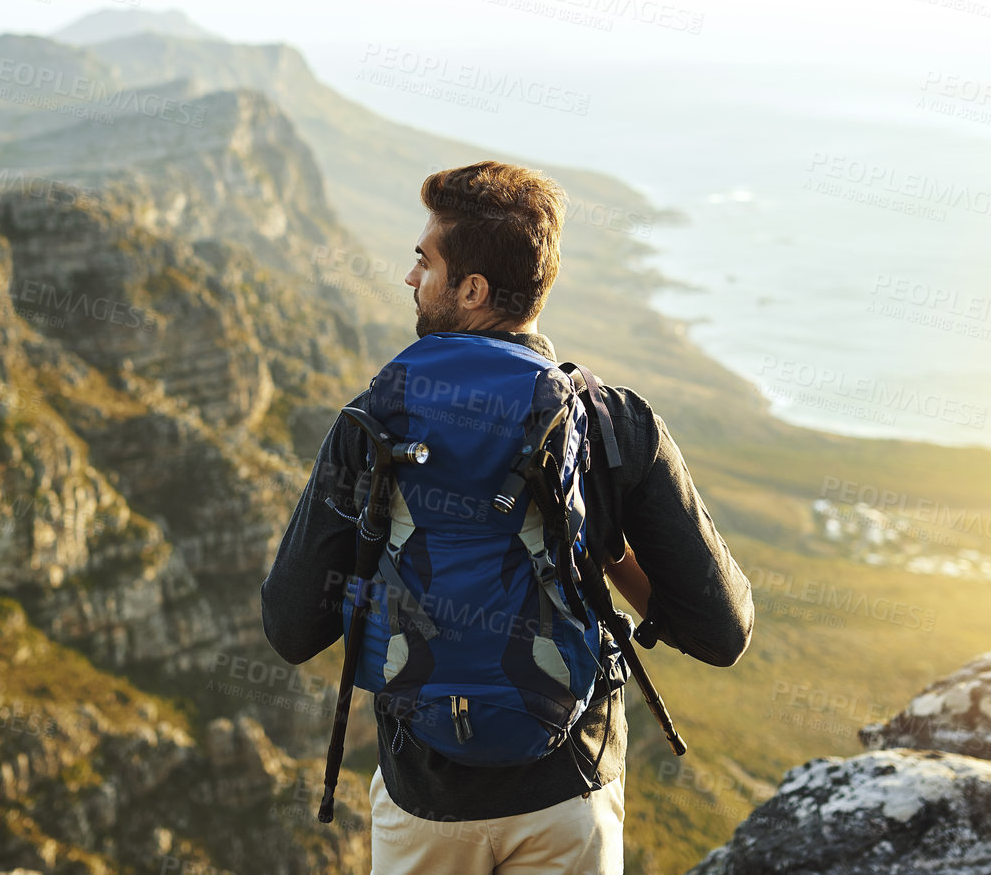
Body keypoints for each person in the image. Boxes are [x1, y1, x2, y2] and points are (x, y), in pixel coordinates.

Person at [261, 160, 754, 873]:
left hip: (423, 802)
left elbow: (289, 627)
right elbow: (722, 631)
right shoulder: (612, 424)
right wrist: (603, 547)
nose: (410, 278)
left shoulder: (373, 422)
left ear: (472, 290)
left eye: (422, 261)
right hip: (568, 797)